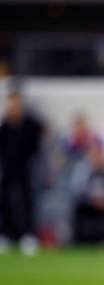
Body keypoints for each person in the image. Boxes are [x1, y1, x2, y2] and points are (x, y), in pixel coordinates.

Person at [0, 89, 44, 255]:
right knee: (5, 202)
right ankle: (6, 234)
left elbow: (43, 136)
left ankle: (28, 235)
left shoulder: (30, 124)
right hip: (8, 170)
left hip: (28, 169)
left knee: (28, 202)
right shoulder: (4, 126)